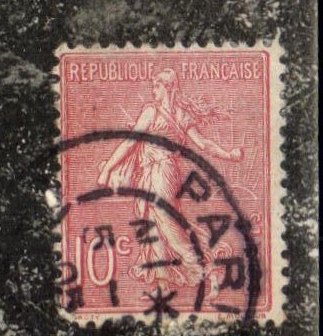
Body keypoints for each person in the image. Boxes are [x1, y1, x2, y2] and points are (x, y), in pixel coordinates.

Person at [97, 69, 243, 287]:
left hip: (162, 173)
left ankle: (197, 265)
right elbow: (132, 142)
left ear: (168, 87)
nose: (153, 90)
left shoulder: (157, 113)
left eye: (157, 86)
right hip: (154, 173)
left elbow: (131, 143)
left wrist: (107, 169)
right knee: (152, 220)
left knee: (165, 219)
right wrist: (228, 154)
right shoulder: (170, 114)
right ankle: (162, 276)